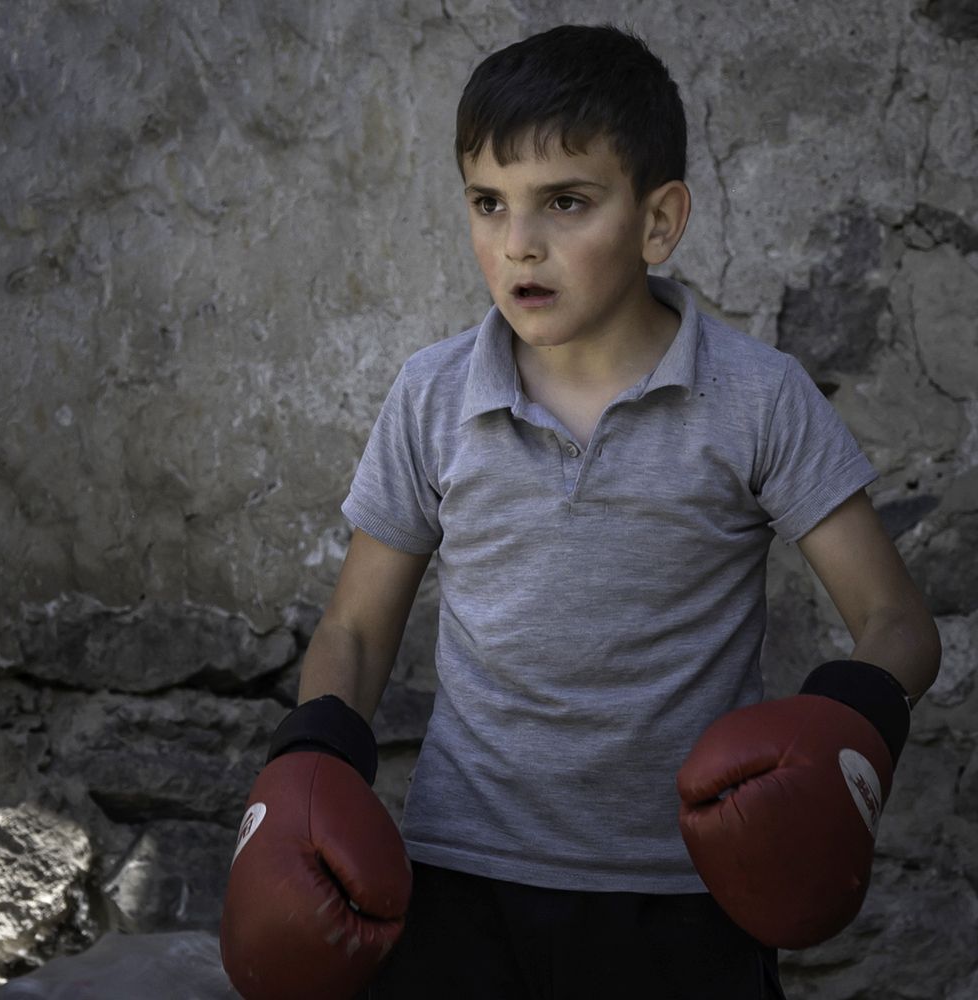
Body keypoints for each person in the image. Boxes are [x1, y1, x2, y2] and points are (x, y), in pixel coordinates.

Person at [220, 23, 941, 1000]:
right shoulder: (432, 394)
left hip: (686, 896)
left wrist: (844, 727)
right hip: (459, 882)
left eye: (565, 201)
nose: (518, 242)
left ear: (658, 221)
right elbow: (352, 628)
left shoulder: (758, 397)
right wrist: (310, 759)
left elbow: (897, 622)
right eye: (488, 202)